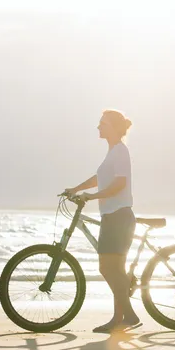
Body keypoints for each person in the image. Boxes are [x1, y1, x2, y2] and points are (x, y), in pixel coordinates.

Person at [64, 109, 140, 333]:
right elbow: (101, 178)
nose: (98, 127)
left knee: (108, 268)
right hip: (112, 216)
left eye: (102, 123)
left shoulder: (121, 152)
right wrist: (76, 189)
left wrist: (93, 196)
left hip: (118, 217)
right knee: (115, 270)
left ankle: (130, 315)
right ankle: (119, 319)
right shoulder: (112, 152)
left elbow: (119, 184)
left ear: (114, 127)